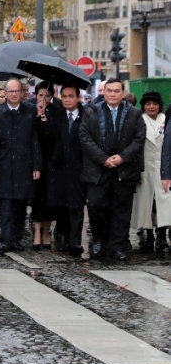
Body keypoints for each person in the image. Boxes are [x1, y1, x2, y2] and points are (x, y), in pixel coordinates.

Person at [79, 78, 146, 260]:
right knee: (95, 205)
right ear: (104, 92)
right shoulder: (91, 111)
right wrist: (103, 159)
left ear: (122, 93)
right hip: (97, 169)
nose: (113, 94)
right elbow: (84, 137)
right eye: (109, 91)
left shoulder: (134, 114)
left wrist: (122, 157)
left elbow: (139, 139)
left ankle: (117, 246)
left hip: (123, 170)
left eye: (117, 91)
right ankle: (99, 240)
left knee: (121, 210)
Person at [0, 78, 42, 252]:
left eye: (16, 91)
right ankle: (6, 238)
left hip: (23, 165)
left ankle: (17, 238)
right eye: (10, 91)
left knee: (20, 204)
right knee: (4, 204)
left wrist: (36, 166)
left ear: (22, 92)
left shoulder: (30, 111)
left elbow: (35, 141)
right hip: (3, 165)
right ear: (4, 93)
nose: (13, 94)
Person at [39, 85, 87, 255]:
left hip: (79, 168)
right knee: (61, 206)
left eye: (71, 96)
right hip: (58, 167)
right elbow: (45, 138)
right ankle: (65, 237)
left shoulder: (86, 115)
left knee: (76, 207)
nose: (67, 99)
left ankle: (75, 242)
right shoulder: (54, 114)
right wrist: (42, 118)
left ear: (78, 98)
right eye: (64, 96)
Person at [133, 91, 171, 251]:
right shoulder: (139, 120)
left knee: (164, 203)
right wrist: (137, 169)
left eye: (154, 103)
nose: (151, 106)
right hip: (145, 167)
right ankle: (147, 233)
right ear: (143, 106)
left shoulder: (166, 120)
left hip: (163, 167)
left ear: (160, 105)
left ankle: (161, 234)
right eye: (148, 104)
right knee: (145, 202)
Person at [32, 81, 56, 250]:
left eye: (46, 96)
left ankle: (47, 232)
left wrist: (46, 121)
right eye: (40, 95)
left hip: (52, 162)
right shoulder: (29, 111)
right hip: (35, 162)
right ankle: (37, 232)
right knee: (37, 199)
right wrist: (38, 118)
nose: (43, 99)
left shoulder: (56, 112)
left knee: (49, 200)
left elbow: (52, 137)